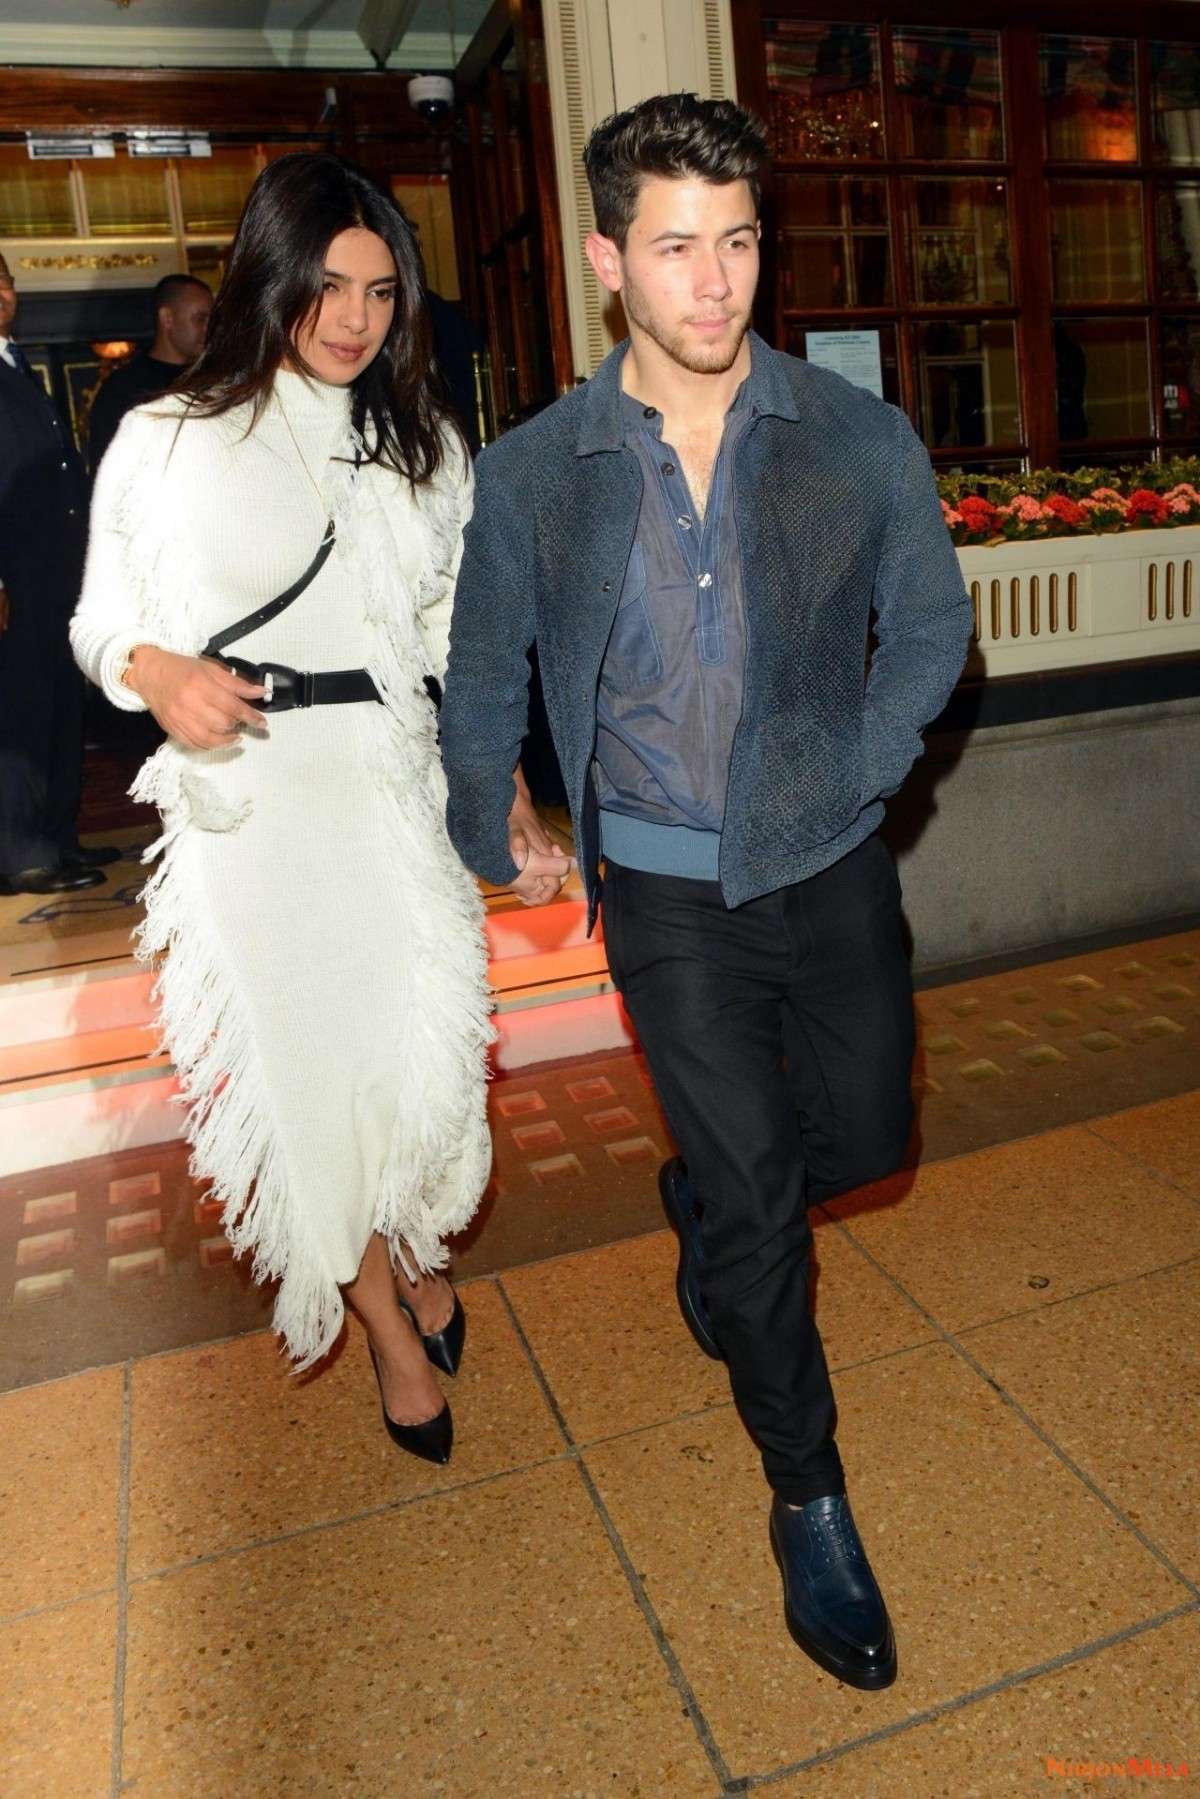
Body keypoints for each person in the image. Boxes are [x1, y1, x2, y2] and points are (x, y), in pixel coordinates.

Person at [439, 95, 973, 1682]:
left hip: (828, 855)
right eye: (678, 247)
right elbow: (479, 674)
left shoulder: (850, 431)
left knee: (868, 1138)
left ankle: (714, 1215)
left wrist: (861, 769)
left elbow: (934, 629)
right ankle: (807, 1494)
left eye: (738, 240)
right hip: (667, 892)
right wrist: (501, 808)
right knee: (759, 1210)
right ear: (612, 260)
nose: (717, 280)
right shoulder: (541, 470)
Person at [72, 153, 497, 1464]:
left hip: (384, 787)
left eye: (379, 289)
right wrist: (155, 671)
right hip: (249, 811)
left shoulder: (423, 446)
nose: (355, 316)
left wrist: (508, 792)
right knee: (310, 1087)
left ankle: (414, 1248)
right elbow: (101, 618)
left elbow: (454, 635)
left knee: (419, 1079)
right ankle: (383, 1326)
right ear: (270, 275)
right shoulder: (167, 437)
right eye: (326, 284)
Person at [0, 249, 117, 895]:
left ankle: (55, 838)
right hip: (11, 580)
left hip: (53, 575)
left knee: (55, 706)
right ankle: (20, 854)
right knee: (16, 715)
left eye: (4, 279)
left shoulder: (15, 365)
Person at [86, 273, 213, 473]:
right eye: (201, 319)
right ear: (167, 318)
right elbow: (109, 471)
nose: (209, 329)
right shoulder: (122, 389)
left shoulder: (213, 379)